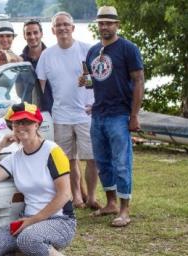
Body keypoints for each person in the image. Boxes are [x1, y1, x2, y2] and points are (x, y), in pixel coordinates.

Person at [0, 102, 76, 256]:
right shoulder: (15, 157)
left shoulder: (52, 150)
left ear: (37, 125)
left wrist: (33, 220)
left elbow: (65, 194)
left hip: (60, 221)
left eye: (26, 122)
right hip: (28, 222)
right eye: (16, 123)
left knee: (27, 239)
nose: (21, 127)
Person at [80, 6, 144, 227]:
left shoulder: (128, 49)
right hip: (98, 114)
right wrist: (84, 81)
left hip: (119, 114)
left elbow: (138, 81)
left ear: (117, 24)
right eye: (101, 22)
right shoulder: (92, 51)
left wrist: (134, 115)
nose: (104, 26)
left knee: (122, 163)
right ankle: (111, 204)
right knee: (103, 162)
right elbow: (92, 80)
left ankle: (125, 210)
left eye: (109, 22)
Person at [36, 12, 99, 210]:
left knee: (91, 158)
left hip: (85, 114)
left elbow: (99, 80)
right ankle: (76, 196)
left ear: (73, 28)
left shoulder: (87, 50)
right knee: (68, 159)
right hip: (60, 115)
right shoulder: (47, 55)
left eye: (66, 25)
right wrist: (39, 115)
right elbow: (40, 88)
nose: (62, 28)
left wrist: (87, 81)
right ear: (52, 30)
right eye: (58, 25)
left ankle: (92, 197)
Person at [20, 19, 53, 113]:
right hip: (29, 112)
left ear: (41, 34)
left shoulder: (52, 56)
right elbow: (19, 91)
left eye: (35, 32)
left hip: (53, 112)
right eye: (28, 33)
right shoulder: (21, 60)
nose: (32, 36)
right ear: (24, 36)